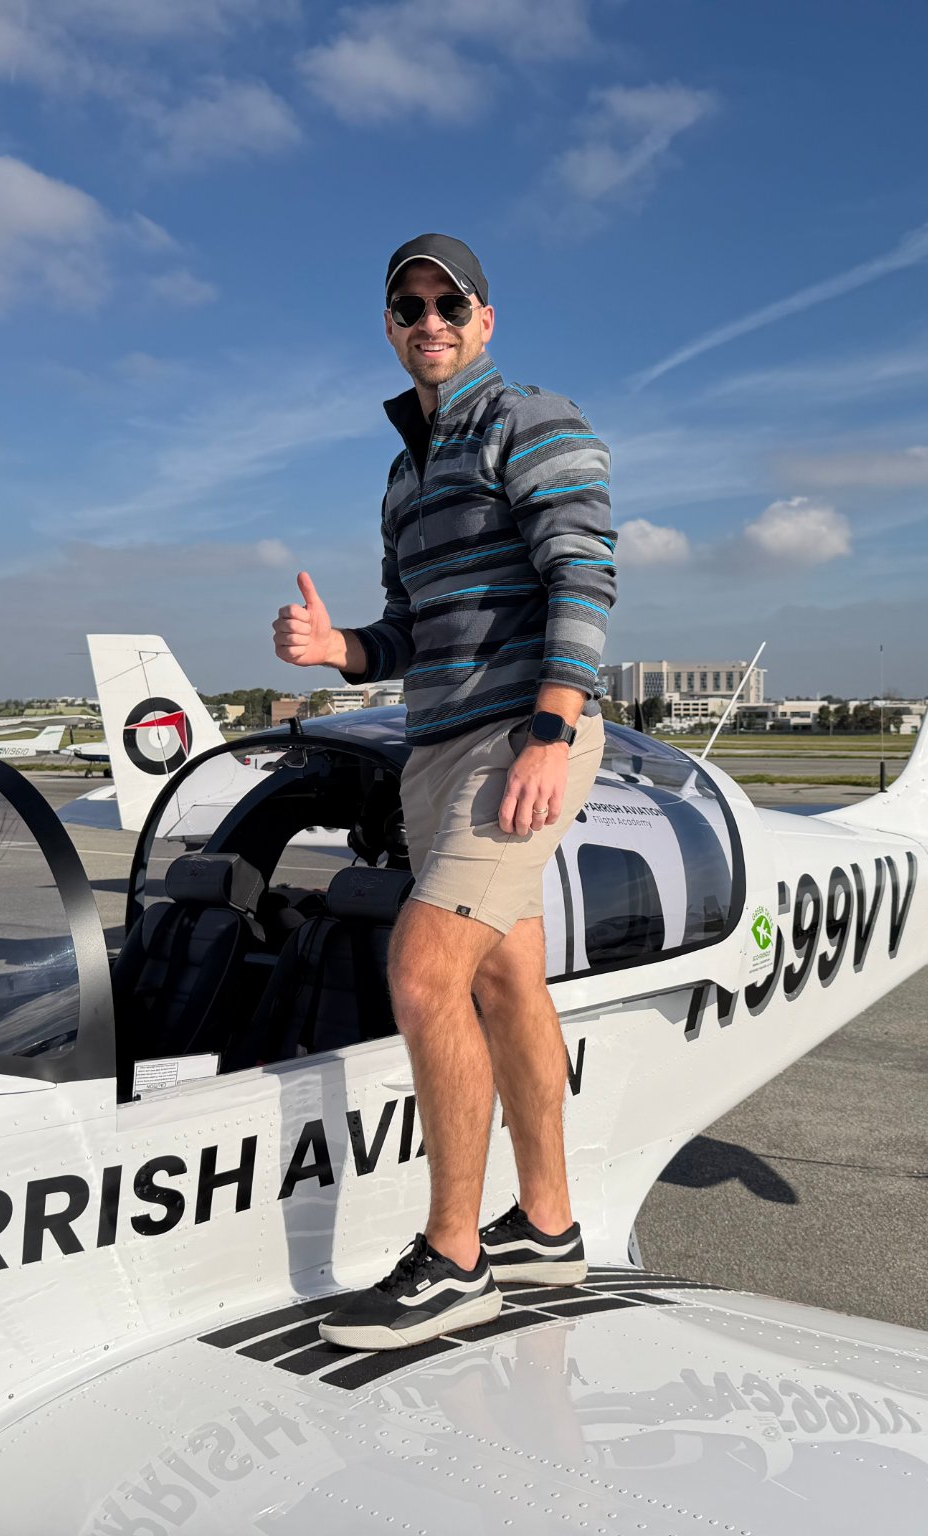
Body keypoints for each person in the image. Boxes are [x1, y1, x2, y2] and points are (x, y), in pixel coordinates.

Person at [272, 234, 615, 1351]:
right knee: (507, 977)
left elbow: (582, 574)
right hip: (436, 745)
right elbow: (407, 632)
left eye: (448, 304)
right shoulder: (402, 474)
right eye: (409, 307)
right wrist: (337, 650)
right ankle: (549, 1228)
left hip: (516, 741)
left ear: (484, 318)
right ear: (388, 325)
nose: (430, 322)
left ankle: (456, 1258)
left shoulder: (529, 419)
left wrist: (551, 730)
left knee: (424, 972)